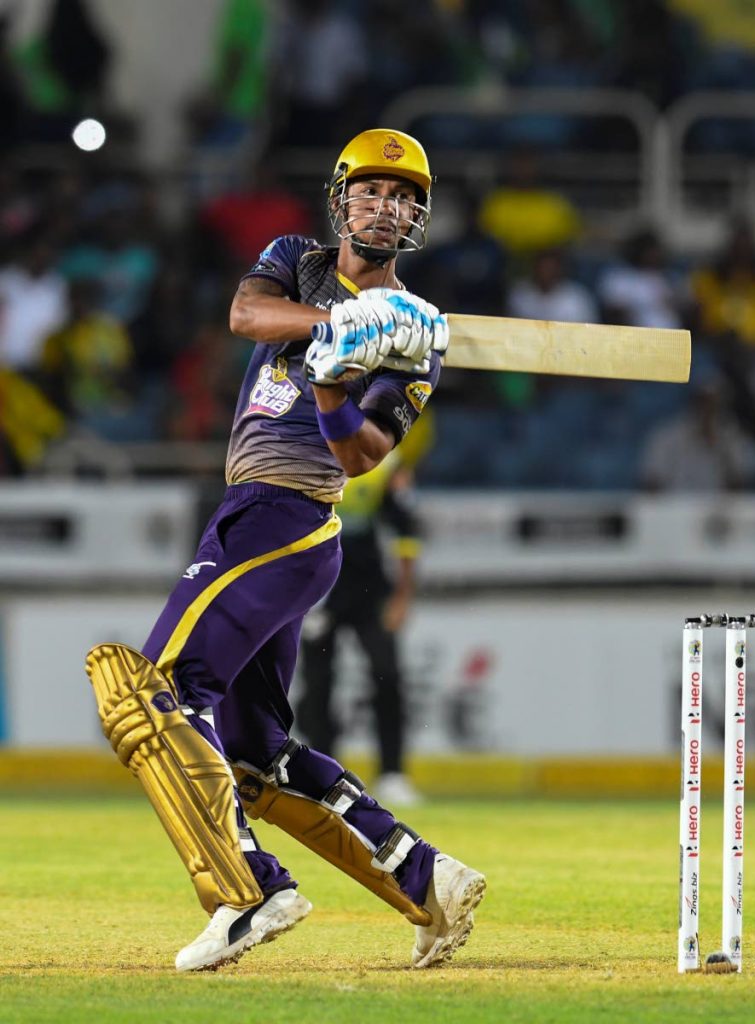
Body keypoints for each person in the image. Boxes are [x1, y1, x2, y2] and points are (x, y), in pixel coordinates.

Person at [84, 128, 486, 973]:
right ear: (342, 199)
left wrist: (341, 379)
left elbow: (362, 455)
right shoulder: (299, 260)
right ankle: (426, 877)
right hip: (257, 513)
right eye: (372, 191)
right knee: (252, 751)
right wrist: (339, 326)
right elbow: (244, 315)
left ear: (418, 215)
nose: (386, 206)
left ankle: (247, 888)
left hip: (289, 515)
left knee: (151, 694)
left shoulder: (415, 337)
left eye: (403, 196)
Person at [299, 446, 424, 807]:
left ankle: (392, 773)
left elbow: (406, 530)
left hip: (370, 590)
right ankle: (322, 774)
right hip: (319, 587)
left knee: (387, 674)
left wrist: (402, 596)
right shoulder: (300, 449)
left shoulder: (384, 459)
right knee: (318, 681)